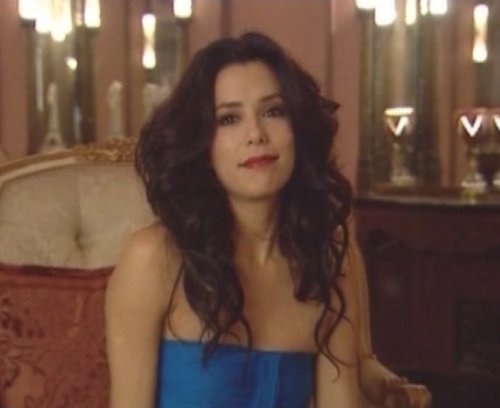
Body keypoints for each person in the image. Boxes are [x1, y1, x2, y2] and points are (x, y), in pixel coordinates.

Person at [105, 31, 405, 408]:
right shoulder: (154, 258)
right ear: (202, 144)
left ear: (298, 129)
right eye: (229, 118)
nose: (256, 135)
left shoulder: (326, 262)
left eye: (273, 112)